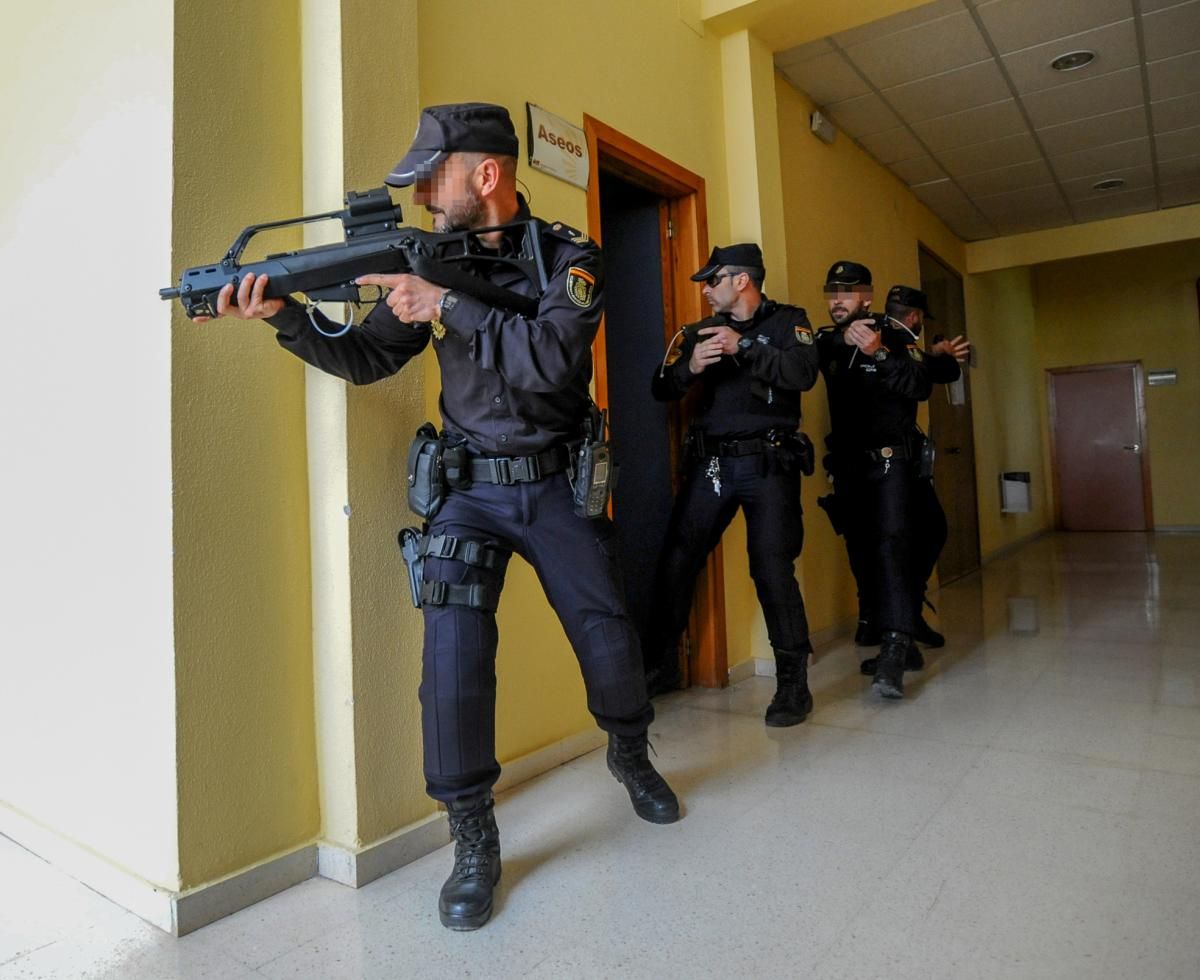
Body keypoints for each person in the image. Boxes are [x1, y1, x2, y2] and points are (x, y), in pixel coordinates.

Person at [194, 102, 680, 931]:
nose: (421, 195)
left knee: (607, 635)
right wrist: (281, 315)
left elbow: (554, 361)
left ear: (485, 175)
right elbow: (364, 356)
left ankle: (630, 752)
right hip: (467, 490)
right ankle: (472, 837)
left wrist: (446, 307)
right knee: (451, 663)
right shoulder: (427, 260)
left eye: (433, 176)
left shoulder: (570, 257)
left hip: (558, 484)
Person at [643, 244, 820, 727]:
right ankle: (656, 666)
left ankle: (792, 683)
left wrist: (746, 347)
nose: (704, 290)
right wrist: (692, 366)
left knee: (772, 569)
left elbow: (803, 373)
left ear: (741, 280)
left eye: (712, 280)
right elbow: (662, 386)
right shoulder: (698, 332)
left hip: (770, 463)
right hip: (714, 465)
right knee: (679, 558)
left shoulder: (788, 322)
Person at [816, 262, 966, 698]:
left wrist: (880, 353)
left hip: (891, 463)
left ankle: (896, 652)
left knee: (895, 546)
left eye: (847, 292)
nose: (837, 300)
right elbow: (807, 362)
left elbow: (920, 384)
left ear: (867, 296)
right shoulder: (825, 339)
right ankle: (886, 625)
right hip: (847, 465)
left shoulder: (894, 336)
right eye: (832, 293)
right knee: (864, 551)